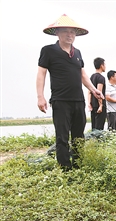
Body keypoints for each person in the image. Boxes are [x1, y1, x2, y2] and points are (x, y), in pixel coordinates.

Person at [36, 14, 104, 171]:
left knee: (79, 135)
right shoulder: (48, 51)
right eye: (65, 31)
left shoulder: (77, 53)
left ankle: (79, 166)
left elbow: (83, 75)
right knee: (62, 137)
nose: (69, 35)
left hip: (78, 100)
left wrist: (94, 90)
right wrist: (40, 96)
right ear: (57, 33)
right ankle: (65, 170)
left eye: (72, 32)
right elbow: (41, 74)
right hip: (60, 100)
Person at [89, 57, 107, 130]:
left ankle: (93, 140)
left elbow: (89, 92)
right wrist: (101, 105)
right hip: (99, 105)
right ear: (101, 66)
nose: (105, 66)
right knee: (99, 128)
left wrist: (89, 103)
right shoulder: (101, 78)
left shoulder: (92, 77)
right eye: (104, 64)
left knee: (94, 126)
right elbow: (99, 92)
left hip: (93, 104)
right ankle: (98, 141)